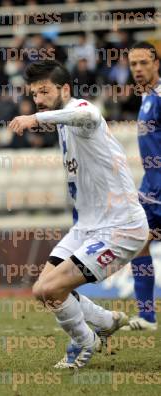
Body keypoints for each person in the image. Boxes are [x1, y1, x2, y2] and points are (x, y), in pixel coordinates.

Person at [9, 60, 148, 369]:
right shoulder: (62, 125)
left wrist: (35, 117)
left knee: (51, 289)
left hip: (120, 226)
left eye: (44, 91)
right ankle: (105, 320)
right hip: (87, 226)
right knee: (41, 291)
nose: (39, 99)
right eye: (35, 95)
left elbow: (89, 114)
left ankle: (87, 343)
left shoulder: (81, 113)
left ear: (65, 89)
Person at [123, 42, 161, 331]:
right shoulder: (146, 97)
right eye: (133, 64)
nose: (137, 69)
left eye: (143, 63)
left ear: (156, 63)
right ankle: (147, 315)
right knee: (139, 244)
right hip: (151, 190)